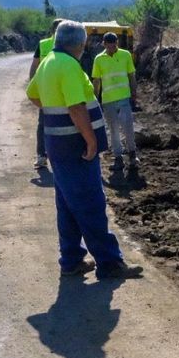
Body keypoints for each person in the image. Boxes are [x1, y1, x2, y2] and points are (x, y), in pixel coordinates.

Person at [26, 20, 144, 280]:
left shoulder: (48, 62)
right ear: (80, 43)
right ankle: (110, 263)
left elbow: (32, 94)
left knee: (67, 205)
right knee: (91, 203)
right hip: (75, 148)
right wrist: (90, 140)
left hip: (58, 146)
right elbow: (77, 107)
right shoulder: (68, 65)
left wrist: (52, 112)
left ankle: (71, 260)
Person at [91, 32, 140, 171]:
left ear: (117, 43)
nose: (112, 47)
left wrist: (134, 94)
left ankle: (132, 155)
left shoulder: (125, 55)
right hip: (108, 100)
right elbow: (97, 81)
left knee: (128, 128)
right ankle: (118, 158)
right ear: (104, 44)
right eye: (109, 45)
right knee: (113, 130)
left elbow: (131, 75)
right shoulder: (99, 59)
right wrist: (96, 99)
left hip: (124, 98)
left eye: (114, 44)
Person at [28, 18, 64, 171]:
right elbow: (34, 67)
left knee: (59, 124)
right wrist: (34, 87)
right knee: (44, 123)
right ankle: (42, 155)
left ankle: (58, 155)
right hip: (48, 92)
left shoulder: (68, 44)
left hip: (62, 90)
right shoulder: (43, 45)